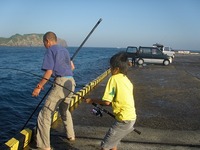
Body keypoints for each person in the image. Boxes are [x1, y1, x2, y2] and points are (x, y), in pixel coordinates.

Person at [32, 31, 76, 150]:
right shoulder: (64, 50)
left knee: (44, 115)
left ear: (47, 41)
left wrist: (38, 87)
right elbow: (72, 67)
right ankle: (71, 136)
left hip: (61, 84)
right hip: (71, 82)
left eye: (44, 43)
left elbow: (49, 71)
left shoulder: (50, 50)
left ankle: (44, 146)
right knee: (64, 110)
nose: (44, 46)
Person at [85, 52, 137, 150]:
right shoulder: (126, 80)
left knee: (104, 146)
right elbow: (120, 100)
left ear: (116, 69)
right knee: (113, 144)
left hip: (123, 120)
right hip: (131, 117)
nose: (110, 70)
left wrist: (91, 100)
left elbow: (107, 102)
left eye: (111, 68)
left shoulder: (113, 79)